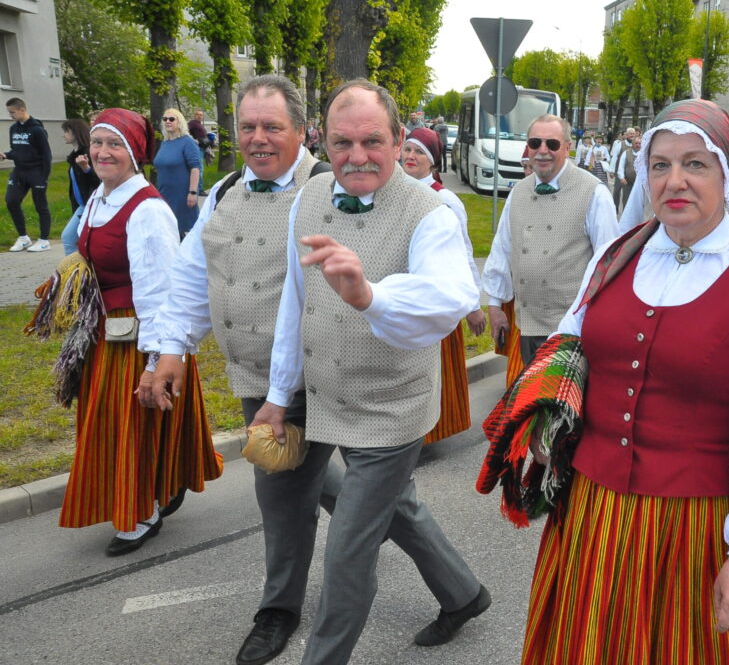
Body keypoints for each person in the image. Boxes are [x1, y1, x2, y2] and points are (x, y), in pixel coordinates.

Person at [480, 99, 729, 664]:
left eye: (695, 164)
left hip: (694, 528)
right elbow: (567, 354)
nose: (675, 180)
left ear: (726, 176)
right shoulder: (616, 257)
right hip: (591, 514)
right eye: (660, 165)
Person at [251, 78, 489, 664]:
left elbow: (448, 297)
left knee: (347, 549)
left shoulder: (431, 211)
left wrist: (370, 297)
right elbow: (295, 302)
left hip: (391, 410)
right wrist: (279, 395)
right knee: (396, 509)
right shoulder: (309, 198)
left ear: (400, 138)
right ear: (322, 142)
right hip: (325, 392)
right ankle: (464, 594)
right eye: (341, 143)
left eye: (372, 141)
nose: (356, 157)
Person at [147, 75, 336, 665]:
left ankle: (278, 610)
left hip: (325, 375)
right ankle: (460, 588)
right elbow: (190, 275)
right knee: (344, 493)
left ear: (302, 132)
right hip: (257, 377)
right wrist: (173, 348)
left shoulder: (330, 189)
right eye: (247, 127)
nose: (257, 138)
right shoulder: (227, 189)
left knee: (280, 494)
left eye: (272, 127)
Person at [59, 108, 222, 554]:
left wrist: (156, 360)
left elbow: (162, 289)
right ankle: (162, 485)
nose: (103, 152)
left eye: (115, 145)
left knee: (136, 419)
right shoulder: (99, 198)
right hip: (103, 332)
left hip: (136, 332)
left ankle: (144, 508)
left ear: (134, 153)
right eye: (97, 143)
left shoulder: (147, 209)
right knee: (114, 421)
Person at [482, 114, 618, 368]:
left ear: (567, 148)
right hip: (527, 326)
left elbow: (608, 264)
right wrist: (494, 304)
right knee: (532, 406)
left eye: (552, 144)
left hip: (572, 332)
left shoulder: (594, 193)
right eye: (535, 143)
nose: (542, 151)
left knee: (564, 408)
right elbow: (502, 250)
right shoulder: (518, 193)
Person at [401, 126, 486, 443]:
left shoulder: (445, 199)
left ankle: (427, 432)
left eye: (419, 152)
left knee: (432, 373)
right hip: (403, 296)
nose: (411, 156)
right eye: (408, 150)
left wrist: (473, 305)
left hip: (433, 299)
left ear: (433, 160)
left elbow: (463, 250)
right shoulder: (391, 190)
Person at [4, 97, 53, 252]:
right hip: (19, 172)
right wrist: (6, 155)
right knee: (11, 201)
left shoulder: (37, 130)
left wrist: (44, 176)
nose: (10, 115)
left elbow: (46, 155)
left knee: (40, 206)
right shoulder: (13, 129)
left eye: (12, 112)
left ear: (22, 110)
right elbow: (16, 151)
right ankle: (24, 238)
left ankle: (44, 240)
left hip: (36, 172)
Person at [154, 108, 203, 238]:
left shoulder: (187, 142)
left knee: (184, 230)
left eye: (171, 119)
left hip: (182, 195)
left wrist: (193, 192)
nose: (167, 121)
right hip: (165, 194)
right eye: (165, 119)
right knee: (169, 230)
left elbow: (195, 168)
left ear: (179, 122)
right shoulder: (165, 143)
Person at [60, 118, 100, 255]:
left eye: (66, 131)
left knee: (68, 238)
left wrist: (87, 168)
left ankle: (72, 271)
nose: (63, 135)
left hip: (91, 204)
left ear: (76, 133)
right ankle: (80, 271)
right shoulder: (74, 156)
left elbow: (100, 180)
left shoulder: (89, 153)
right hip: (81, 205)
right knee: (78, 240)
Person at [609, 127, 636, 208]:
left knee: (626, 193)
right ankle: (615, 208)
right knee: (617, 191)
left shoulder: (635, 145)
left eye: (633, 134)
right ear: (626, 135)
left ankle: (626, 209)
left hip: (629, 174)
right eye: (631, 133)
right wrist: (612, 170)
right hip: (618, 172)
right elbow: (614, 157)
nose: (632, 135)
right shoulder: (620, 144)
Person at [614, 133, 640, 215]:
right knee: (626, 200)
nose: (638, 145)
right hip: (627, 182)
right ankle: (625, 218)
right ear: (632, 144)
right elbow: (621, 166)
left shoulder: (644, 154)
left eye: (640, 143)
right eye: (636, 143)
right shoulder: (626, 153)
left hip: (639, 183)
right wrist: (621, 177)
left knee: (638, 202)